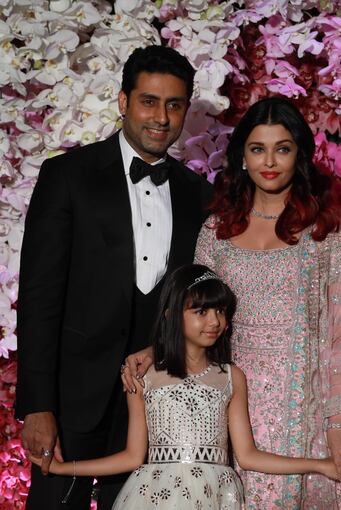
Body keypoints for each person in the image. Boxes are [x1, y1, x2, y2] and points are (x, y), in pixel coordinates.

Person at [123, 97, 341, 509]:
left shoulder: (330, 234)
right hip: (227, 403)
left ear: (299, 156)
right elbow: (197, 313)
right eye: (257, 148)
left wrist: (338, 423)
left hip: (308, 408)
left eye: (282, 148)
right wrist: (156, 350)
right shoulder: (217, 232)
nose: (269, 161)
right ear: (242, 158)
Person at [15, 45, 213, 510]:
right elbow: (39, 296)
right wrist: (37, 405)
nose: (161, 117)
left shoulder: (199, 195)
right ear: (124, 101)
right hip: (71, 398)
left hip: (157, 401)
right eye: (149, 101)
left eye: (174, 104)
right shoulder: (67, 176)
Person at [28, 264, 340, 509]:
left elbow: (247, 455)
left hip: (217, 496)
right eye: (201, 311)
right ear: (171, 315)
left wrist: (319, 465)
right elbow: (132, 457)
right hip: (155, 496)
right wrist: (62, 469)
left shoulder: (231, 377)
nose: (214, 321)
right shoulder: (144, 377)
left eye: (220, 311)